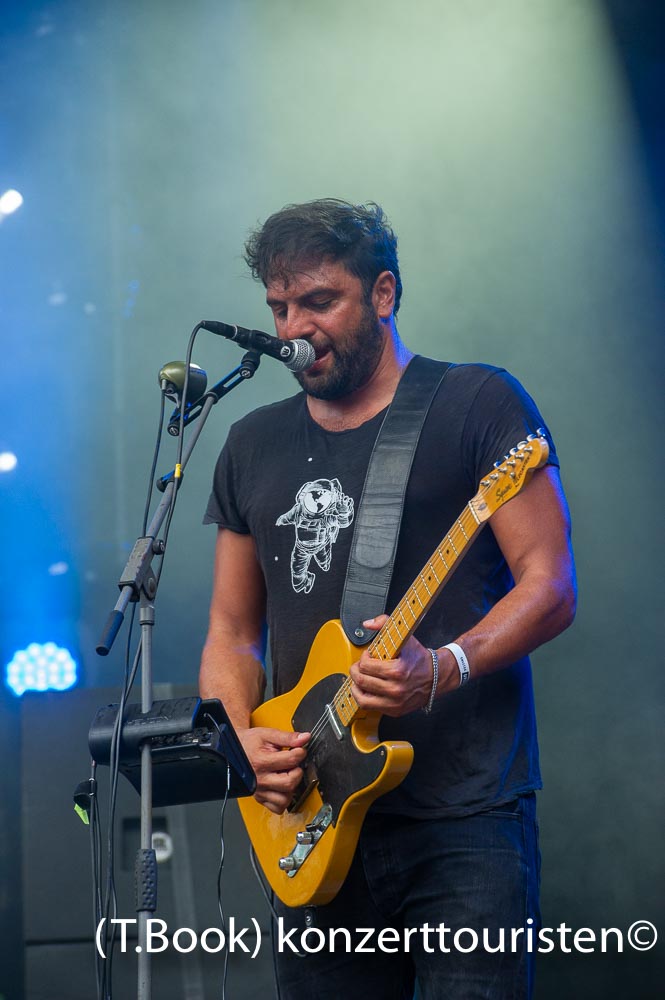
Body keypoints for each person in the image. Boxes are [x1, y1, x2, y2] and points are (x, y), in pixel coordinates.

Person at [200, 199, 576, 1000]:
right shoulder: (249, 443)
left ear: (382, 293)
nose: (294, 328)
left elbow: (549, 586)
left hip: (462, 816)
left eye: (318, 301)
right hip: (310, 813)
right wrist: (237, 742)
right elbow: (231, 633)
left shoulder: (475, 403)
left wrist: (443, 665)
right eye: (279, 307)